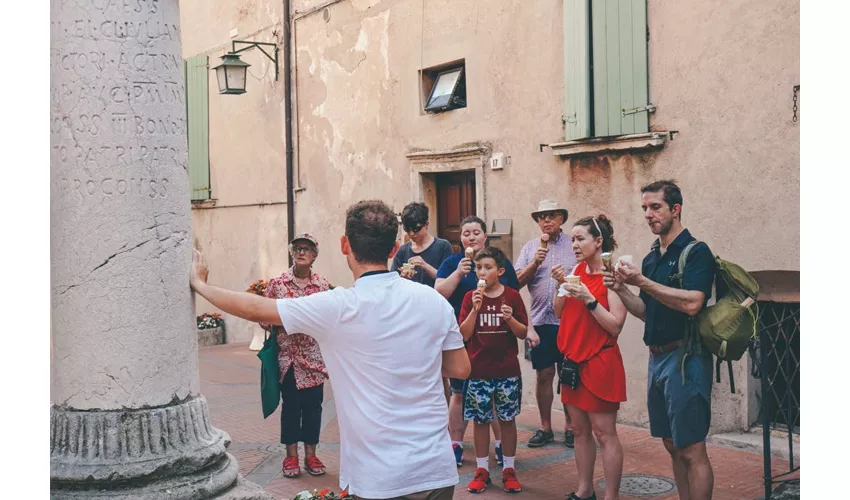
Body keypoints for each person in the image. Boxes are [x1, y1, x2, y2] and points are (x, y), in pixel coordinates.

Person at [190, 200, 471, 500]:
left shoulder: (337, 307)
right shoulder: (432, 301)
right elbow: (460, 368)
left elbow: (257, 307)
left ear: (344, 245)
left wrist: (200, 284)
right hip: (435, 471)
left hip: (380, 479)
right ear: (394, 249)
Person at [604, 180, 716, 500]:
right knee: (671, 445)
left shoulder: (696, 251)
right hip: (657, 359)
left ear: (675, 209)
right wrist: (621, 288)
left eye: (655, 207)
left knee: (692, 448)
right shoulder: (653, 257)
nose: (648, 214)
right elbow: (645, 311)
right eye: (644, 209)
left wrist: (641, 281)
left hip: (686, 359)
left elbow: (694, 302)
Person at [435, 215, 520, 468]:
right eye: (465, 233)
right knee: (459, 392)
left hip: (494, 341)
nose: (470, 237)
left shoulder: (499, 262)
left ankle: (501, 445)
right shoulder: (453, 262)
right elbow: (439, 292)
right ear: (460, 238)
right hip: (461, 338)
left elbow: (513, 293)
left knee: (493, 397)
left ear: (485, 236)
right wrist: (459, 274)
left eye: (475, 232)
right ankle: (456, 444)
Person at [555, 215, 627, 500]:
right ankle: (584, 490)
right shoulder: (577, 270)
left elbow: (616, 325)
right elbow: (559, 311)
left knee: (604, 432)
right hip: (572, 363)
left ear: (599, 241)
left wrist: (589, 299)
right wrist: (562, 285)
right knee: (579, 430)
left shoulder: (612, 274)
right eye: (572, 239)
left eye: (580, 238)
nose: (574, 244)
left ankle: (611, 495)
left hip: (599, 362)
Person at [258, 233, 331, 478]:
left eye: (306, 249)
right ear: (292, 253)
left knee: (313, 408)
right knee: (290, 408)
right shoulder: (277, 284)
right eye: (297, 248)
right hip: (287, 359)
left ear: (314, 256)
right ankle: (291, 456)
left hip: (313, 359)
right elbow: (263, 319)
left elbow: (327, 320)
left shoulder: (322, 285)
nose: (301, 252)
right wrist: (281, 323)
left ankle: (311, 454)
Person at [459, 247, 528, 493]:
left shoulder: (511, 296)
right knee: (480, 421)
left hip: (507, 370)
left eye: (487, 267)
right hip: (478, 370)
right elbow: (464, 335)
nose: (482, 272)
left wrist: (510, 319)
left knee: (507, 420)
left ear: (499, 271)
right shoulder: (470, 298)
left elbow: (523, 333)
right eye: (478, 268)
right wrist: (475, 311)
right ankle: (482, 469)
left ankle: (509, 468)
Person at [515, 199, 577, 449]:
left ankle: (571, 427)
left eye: (552, 215)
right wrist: (535, 263)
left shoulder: (575, 245)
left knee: (568, 374)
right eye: (541, 216)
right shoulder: (530, 248)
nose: (546, 220)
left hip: (569, 321)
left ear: (562, 218)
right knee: (544, 374)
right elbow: (515, 282)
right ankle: (545, 427)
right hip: (541, 321)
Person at [392, 202, 453, 287]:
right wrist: (402, 277)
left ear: (426, 224)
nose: (412, 233)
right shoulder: (402, 251)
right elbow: (393, 283)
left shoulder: (443, 247)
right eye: (407, 229)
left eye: (416, 229)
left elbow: (450, 281)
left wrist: (425, 266)